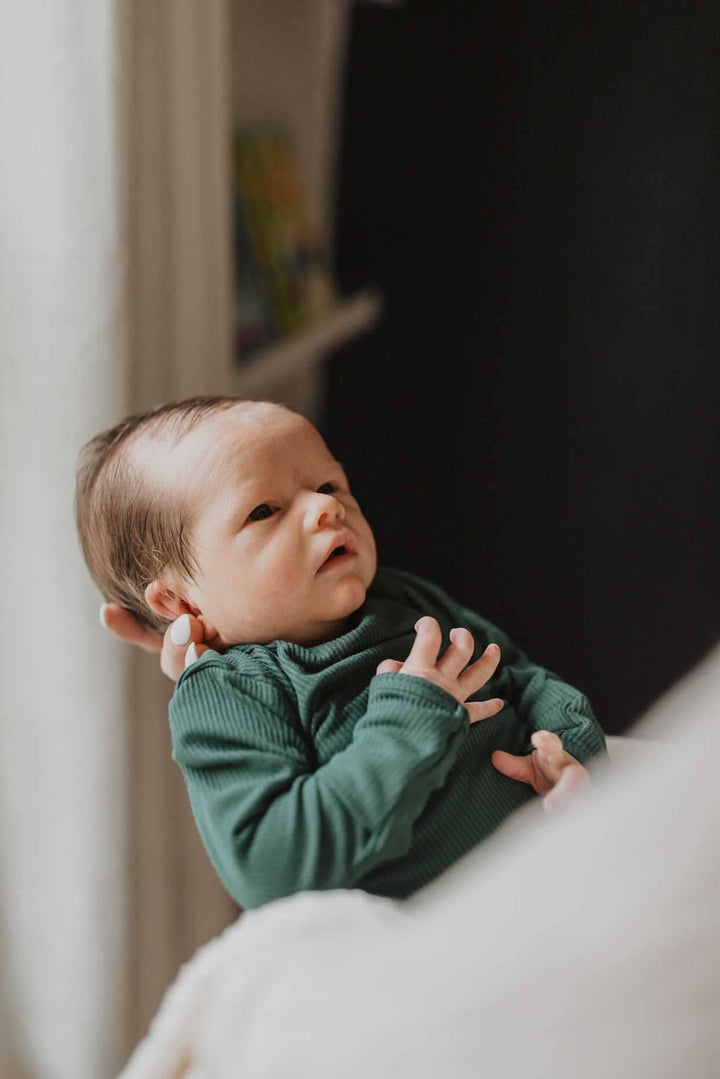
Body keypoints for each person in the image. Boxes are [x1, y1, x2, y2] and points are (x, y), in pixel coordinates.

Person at [76, 395, 605, 910]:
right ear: (180, 600)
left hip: (555, 868)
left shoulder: (404, 601)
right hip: (436, 936)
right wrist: (410, 717)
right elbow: (270, 867)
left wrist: (566, 746)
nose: (326, 506)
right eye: (264, 510)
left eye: (328, 484)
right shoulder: (230, 693)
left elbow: (520, 677)